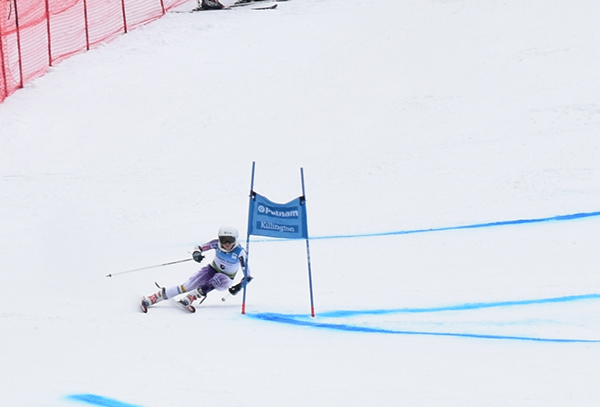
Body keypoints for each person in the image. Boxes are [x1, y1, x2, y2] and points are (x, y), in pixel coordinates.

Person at [141, 226, 252, 312]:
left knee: (219, 277)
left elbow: (248, 276)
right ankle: (154, 298)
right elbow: (199, 247)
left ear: (235, 239)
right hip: (211, 270)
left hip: (226, 279)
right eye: (224, 240)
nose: (227, 243)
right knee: (186, 286)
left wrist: (239, 286)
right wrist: (197, 253)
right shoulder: (216, 244)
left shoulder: (240, 252)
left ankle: (193, 296)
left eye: (230, 240)